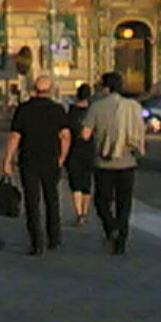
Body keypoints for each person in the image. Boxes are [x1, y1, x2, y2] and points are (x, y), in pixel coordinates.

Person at [2, 75, 71, 255]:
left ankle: (36, 241)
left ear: (34, 89)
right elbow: (65, 136)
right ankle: (54, 237)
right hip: (51, 160)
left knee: (32, 202)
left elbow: (15, 137)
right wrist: (62, 158)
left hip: (29, 160)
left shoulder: (23, 109)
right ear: (51, 90)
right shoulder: (58, 110)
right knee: (52, 199)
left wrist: (7, 160)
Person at [81, 71, 145, 255]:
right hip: (128, 162)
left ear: (105, 87)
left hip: (103, 163)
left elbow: (85, 135)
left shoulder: (96, 107)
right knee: (124, 204)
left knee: (102, 201)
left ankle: (111, 228)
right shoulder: (133, 106)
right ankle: (121, 241)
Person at [64, 83, 95, 226]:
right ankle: (85, 210)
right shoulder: (93, 112)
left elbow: (65, 134)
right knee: (87, 183)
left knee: (75, 184)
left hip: (73, 151)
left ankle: (79, 213)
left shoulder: (71, 112)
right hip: (90, 150)